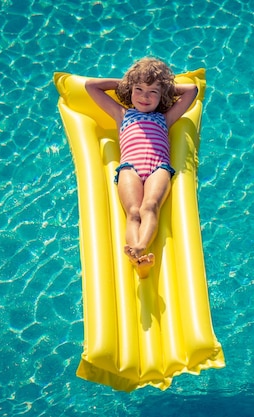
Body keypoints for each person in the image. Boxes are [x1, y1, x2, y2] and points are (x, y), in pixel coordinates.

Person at [85, 57, 197, 278]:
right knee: (134, 212)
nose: (144, 97)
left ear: (162, 95)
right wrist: (129, 82)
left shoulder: (165, 118)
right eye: (139, 90)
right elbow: (91, 87)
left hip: (159, 168)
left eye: (153, 92)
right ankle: (138, 258)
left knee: (150, 207)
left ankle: (139, 249)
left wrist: (161, 85)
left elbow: (191, 90)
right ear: (130, 90)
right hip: (130, 168)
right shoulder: (122, 114)